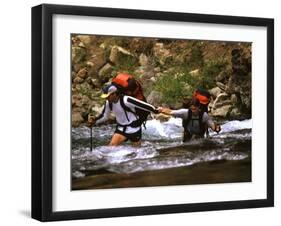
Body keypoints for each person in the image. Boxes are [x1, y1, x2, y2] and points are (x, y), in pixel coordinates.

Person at [88, 84, 159, 146]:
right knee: (110, 149)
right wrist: (95, 121)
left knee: (137, 154)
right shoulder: (108, 103)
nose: (107, 98)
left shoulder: (126, 100)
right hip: (121, 129)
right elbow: (104, 116)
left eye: (108, 96)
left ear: (114, 94)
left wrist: (157, 110)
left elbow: (144, 106)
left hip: (134, 129)